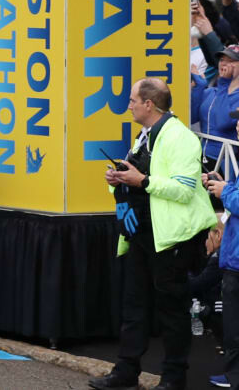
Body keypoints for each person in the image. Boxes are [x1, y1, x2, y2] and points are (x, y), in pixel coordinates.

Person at [89, 78, 217, 390]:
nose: (128, 105)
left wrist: (142, 181)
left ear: (149, 104)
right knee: (134, 306)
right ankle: (126, 372)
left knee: (172, 311)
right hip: (143, 233)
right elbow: (143, 176)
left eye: (133, 100)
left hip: (172, 238)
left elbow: (184, 190)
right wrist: (120, 178)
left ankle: (173, 379)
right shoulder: (144, 135)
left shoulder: (181, 138)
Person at [205, 166, 239, 390]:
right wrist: (222, 184)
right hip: (233, 260)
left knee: (234, 328)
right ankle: (233, 375)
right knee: (233, 328)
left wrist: (225, 191)